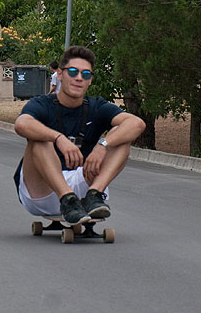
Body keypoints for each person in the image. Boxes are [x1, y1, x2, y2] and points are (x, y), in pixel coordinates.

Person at [13, 46, 145, 225]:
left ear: (90, 80)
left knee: (121, 137)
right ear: (60, 74)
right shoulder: (42, 104)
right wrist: (58, 138)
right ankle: (67, 199)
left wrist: (103, 144)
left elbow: (136, 124)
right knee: (39, 139)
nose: (79, 78)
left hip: (81, 182)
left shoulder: (96, 106)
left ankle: (94, 195)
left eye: (86, 74)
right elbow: (22, 124)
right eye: (73, 72)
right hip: (42, 190)